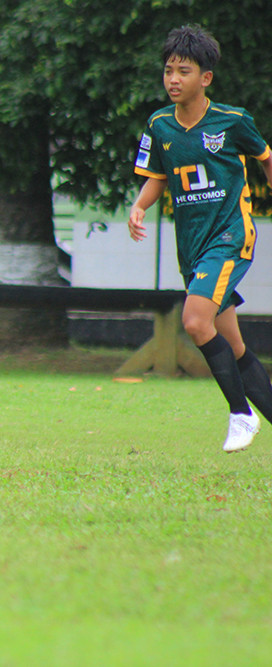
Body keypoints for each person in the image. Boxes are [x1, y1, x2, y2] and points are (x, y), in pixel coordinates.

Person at [129, 25, 272, 453]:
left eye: (184, 71)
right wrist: (139, 207)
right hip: (191, 245)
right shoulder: (158, 125)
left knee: (194, 321)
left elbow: (266, 157)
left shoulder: (232, 121)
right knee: (232, 344)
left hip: (230, 236)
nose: (173, 79)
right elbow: (158, 179)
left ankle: (241, 415)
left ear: (205, 78)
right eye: (169, 70)